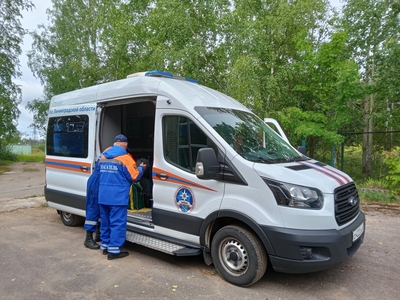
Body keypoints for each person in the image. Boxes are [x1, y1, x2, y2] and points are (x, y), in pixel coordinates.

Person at [98, 134, 146, 260]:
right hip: (117, 196)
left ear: (114, 144)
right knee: (117, 222)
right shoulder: (126, 158)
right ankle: (114, 251)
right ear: (125, 145)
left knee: (105, 221)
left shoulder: (103, 155)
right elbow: (134, 176)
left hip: (103, 194)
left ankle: (105, 246)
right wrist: (141, 168)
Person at [83, 157, 101, 249]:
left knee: (101, 209)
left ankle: (98, 234)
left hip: (99, 182)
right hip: (96, 183)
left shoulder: (109, 153)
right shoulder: (110, 154)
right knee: (93, 210)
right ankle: (88, 239)